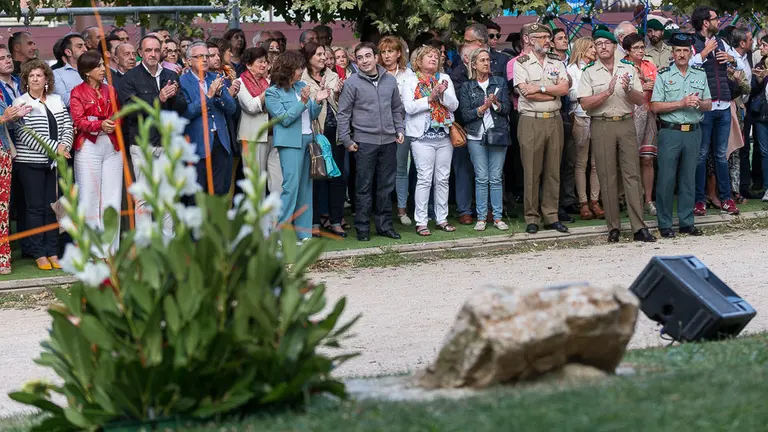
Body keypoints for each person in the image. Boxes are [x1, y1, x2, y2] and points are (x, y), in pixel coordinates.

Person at [577, 30, 656, 243]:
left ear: (614, 46)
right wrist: (606, 92)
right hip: (602, 125)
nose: (602, 47)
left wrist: (628, 90)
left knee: (632, 175)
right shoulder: (589, 71)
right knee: (607, 176)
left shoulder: (629, 68)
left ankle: (639, 227)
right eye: (598, 43)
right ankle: (614, 227)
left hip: (625, 122)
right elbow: (584, 103)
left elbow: (640, 100)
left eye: (606, 43)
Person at [118, 35, 187, 232]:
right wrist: (160, 97)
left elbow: (182, 108)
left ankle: (167, 244)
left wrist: (172, 97)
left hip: (166, 143)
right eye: (148, 50)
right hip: (142, 144)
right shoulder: (129, 78)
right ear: (140, 53)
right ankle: (145, 247)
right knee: (144, 198)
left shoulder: (171, 75)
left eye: (157, 50)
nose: (153, 54)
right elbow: (131, 109)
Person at [337, 42, 405, 241]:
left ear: (376, 57)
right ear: (356, 61)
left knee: (386, 186)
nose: (364, 61)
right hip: (364, 142)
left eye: (368, 56)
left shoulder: (390, 81)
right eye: (360, 58)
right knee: (363, 187)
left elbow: (396, 109)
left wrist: (399, 129)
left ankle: (384, 226)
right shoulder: (352, 83)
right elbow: (343, 114)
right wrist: (347, 139)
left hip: (389, 141)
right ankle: (363, 228)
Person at [13, 59, 74, 270]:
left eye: (39, 75)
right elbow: (25, 134)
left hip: (55, 162)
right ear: (26, 81)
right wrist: (54, 147)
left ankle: (53, 251)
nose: (36, 79)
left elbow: (68, 124)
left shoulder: (57, 100)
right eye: (31, 76)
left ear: (46, 79)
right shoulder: (19, 103)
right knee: (35, 208)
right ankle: (38, 253)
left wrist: (65, 145)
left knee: (52, 209)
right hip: (30, 163)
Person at [650, 32, 712, 238]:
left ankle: (687, 222)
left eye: (686, 51)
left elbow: (709, 104)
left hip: (693, 132)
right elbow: (655, 106)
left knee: (688, 179)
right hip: (670, 132)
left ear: (690, 52)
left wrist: (698, 103)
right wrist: (681, 103)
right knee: (666, 179)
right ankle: (665, 224)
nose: (682, 54)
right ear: (673, 53)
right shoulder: (664, 74)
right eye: (678, 51)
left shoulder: (699, 74)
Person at [513, 23, 570, 234]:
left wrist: (542, 88)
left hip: (554, 119)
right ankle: (532, 217)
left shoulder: (556, 61)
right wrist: (552, 92)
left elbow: (565, 89)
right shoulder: (521, 63)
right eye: (542, 37)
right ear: (529, 39)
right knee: (532, 171)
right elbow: (526, 93)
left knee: (553, 170)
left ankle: (551, 216)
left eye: (548, 37)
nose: (547, 41)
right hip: (531, 120)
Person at [265, 50, 326, 243]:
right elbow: (284, 119)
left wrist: (317, 101)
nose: (302, 71)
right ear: (288, 69)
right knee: (290, 188)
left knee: (305, 189)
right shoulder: (272, 92)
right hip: (290, 144)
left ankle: (303, 234)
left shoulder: (301, 85)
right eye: (299, 68)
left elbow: (312, 114)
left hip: (308, 140)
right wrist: (303, 102)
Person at [402, 45, 459, 236]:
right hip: (421, 137)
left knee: (442, 178)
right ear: (419, 60)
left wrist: (441, 95)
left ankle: (442, 219)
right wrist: (429, 98)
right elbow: (409, 107)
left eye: (436, 56)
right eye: (429, 56)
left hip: (444, 135)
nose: (434, 59)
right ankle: (421, 221)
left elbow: (454, 105)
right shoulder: (409, 80)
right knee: (425, 179)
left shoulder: (445, 79)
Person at [69, 50, 122, 254]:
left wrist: (110, 124)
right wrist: (100, 124)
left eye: (102, 65)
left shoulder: (111, 90)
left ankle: (111, 250)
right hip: (89, 146)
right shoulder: (77, 92)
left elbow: (119, 114)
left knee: (113, 198)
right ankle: (92, 251)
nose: (103, 69)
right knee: (89, 197)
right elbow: (78, 121)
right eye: (98, 66)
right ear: (87, 71)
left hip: (111, 145)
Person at [690, 6, 741, 216]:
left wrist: (730, 60)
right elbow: (686, 65)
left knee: (721, 155)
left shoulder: (722, 42)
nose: (718, 21)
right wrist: (704, 52)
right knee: (701, 155)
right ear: (705, 22)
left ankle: (727, 199)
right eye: (715, 18)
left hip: (724, 105)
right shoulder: (692, 43)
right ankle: (699, 200)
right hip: (705, 106)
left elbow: (738, 63)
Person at [459, 48, 511, 231]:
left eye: (488, 60)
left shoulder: (500, 82)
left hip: (497, 135)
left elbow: (507, 109)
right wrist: (482, 108)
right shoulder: (467, 86)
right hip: (475, 135)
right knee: (481, 178)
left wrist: (496, 103)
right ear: (473, 64)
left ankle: (497, 217)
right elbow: (465, 115)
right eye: (482, 60)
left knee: (495, 177)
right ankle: (481, 217)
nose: (487, 63)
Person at [180, 41, 238, 196]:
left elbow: (231, 108)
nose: (205, 60)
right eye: (199, 56)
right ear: (188, 60)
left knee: (219, 191)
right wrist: (209, 95)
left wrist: (219, 96)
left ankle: (216, 220)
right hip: (196, 143)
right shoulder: (182, 82)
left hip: (220, 141)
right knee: (197, 195)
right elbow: (186, 113)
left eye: (207, 56)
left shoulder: (216, 77)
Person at [298, 43, 343, 237]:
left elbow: (340, 103)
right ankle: (314, 221)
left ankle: (336, 220)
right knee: (316, 177)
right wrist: (319, 94)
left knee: (338, 176)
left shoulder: (333, 75)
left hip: (336, 131)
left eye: (325, 54)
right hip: (315, 132)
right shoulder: (301, 78)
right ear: (309, 57)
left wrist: (338, 93)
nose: (324, 57)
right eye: (319, 54)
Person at [235, 47, 282, 196]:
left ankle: (275, 217)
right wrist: (267, 92)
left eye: (265, 62)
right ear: (248, 65)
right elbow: (251, 106)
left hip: (272, 135)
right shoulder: (240, 82)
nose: (264, 65)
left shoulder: (267, 82)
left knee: (276, 181)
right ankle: (256, 218)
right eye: (260, 62)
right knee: (256, 183)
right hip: (252, 137)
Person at [567, 37, 604, 221]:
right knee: (581, 162)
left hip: (597, 116)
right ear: (582, 49)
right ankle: (583, 201)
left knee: (596, 163)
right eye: (591, 47)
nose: (595, 50)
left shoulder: (598, 68)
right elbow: (571, 93)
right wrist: (590, 92)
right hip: (580, 116)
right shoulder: (572, 70)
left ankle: (595, 200)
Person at [622, 33, 659, 216]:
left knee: (647, 158)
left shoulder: (649, 65)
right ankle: (629, 198)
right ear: (627, 51)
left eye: (642, 47)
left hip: (649, 111)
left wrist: (650, 85)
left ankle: (648, 200)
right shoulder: (622, 66)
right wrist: (643, 85)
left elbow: (658, 86)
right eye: (635, 48)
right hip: (628, 114)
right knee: (629, 159)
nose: (640, 51)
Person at [0, 92, 31, 275]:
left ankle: (3, 257)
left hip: (2, 153)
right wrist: (3, 118)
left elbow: (6, 122)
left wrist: (15, 115)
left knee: (3, 208)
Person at [52, 33, 87, 107]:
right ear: (68, 52)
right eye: (80, 46)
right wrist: (91, 91)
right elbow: (64, 101)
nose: (85, 49)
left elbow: (106, 95)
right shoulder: (57, 74)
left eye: (85, 46)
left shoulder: (95, 69)